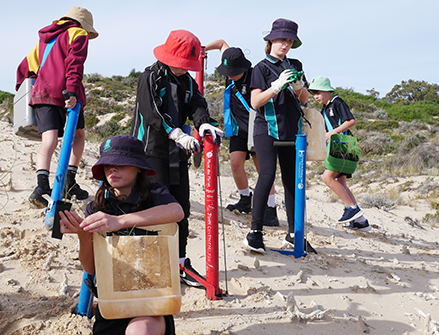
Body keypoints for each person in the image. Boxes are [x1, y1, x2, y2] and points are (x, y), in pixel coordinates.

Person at [59, 135, 183, 335]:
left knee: (140, 331)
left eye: (121, 163)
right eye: (107, 164)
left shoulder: (154, 193)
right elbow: (91, 268)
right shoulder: (97, 207)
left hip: (151, 301)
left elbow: (176, 212)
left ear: (139, 168)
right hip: (112, 304)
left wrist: (119, 222)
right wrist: (83, 235)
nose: (113, 169)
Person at [131, 30, 223, 287]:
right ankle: (151, 263)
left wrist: (203, 124)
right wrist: (175, 132)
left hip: (177, 152)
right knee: (154, 208)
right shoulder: (150, 77)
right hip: (150, 151)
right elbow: (151, 113)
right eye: (182, 65)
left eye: (188, 66)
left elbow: (198, 103)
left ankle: (180, 262)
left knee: (181, 208)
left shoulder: (187, 81)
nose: (185, 70)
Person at [246, 18, 317, 254]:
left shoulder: (296, 64)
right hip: (266, 128)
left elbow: (305, 99)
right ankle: (255, 233)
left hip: (291, 130)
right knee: (266, 176)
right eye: (281, 39)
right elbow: (255, 102)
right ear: (271, 40)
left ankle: (294, 234)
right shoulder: (260, 68)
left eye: (289, 41)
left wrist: (298, 86)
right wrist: (276, 87)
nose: (285, 45)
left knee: (292, 182)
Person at [16, 6, 98, 208]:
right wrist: (71, 91)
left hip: (42, 94)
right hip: (67, 93)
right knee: (78, 136)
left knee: (49, 140)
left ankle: (41, 187)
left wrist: (23, 91)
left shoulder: (45, 40)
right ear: (82, 25)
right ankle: (69, 181)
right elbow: (75, 63)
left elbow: (24, 68)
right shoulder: (77, 34)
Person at [204, 39, 280, 226]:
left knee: (263, 169)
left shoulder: (255, 75)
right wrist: (202, 49)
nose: (230, 75)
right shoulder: (230, 64)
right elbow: (222, 44)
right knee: (236, 164)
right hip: (238, 129)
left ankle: (271, 209)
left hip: (257, 128)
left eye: (234, 72)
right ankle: (245, 199)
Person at [309, 76, 371, 231]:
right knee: (341, 183)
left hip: (343, 145)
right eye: (313, 93)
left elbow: (350, 121)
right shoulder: (324, 108)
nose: (315, 96)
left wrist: (332, 133)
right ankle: (360, 221)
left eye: (318, 92)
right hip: (336, 146)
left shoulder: (337, 102)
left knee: (327, 177)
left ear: (327, 90)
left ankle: (352, 208)